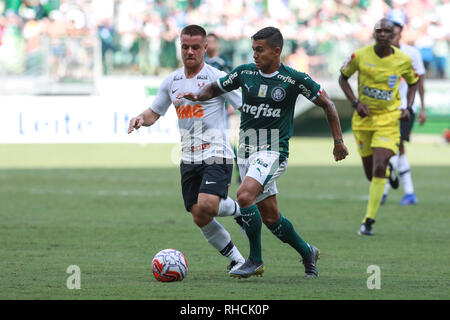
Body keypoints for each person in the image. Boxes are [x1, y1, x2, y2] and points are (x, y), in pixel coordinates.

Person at [178, 26, 348, 278]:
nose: (255, 55)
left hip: (273, 151)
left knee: (244, 196)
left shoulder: (293, 79)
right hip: (247, 151)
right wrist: (199, 95)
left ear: (276, 51)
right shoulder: (245, 73)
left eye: (260, 50)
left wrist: (338, 141)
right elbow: (215, 88)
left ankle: (254, 260)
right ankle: (307, 252)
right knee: (271, 218)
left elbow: (328, 104)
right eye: (253, 50)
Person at [128, 25, 245, 272]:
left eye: (195, 47)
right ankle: (237, 259)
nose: (190, 52)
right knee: (199, 215)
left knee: (209, 205)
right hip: (189, 156)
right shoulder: (172, 81)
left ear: (205, 48)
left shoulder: (218, 77)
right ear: (180, 47)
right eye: (185, 47)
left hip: (217, 151)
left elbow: (243, 105)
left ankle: (238, 210)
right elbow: (154, 112)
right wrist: (140, 118)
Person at [338, 19, 419, 236]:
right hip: (363, 121)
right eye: (379, 30)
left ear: (394, 36)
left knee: (379, 166)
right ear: (373, 34)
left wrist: (408, 107)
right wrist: (355, 102)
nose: (383, 34)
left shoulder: (403, 60)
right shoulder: (359, 56)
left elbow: (414, 82)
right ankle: (390, 172)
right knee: (371, 174)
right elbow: (343, 78)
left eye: (387, 31)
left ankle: (368, 221)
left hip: (389, 120)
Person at [382, 13, 427, 206]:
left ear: (402, 29)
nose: (393, 29)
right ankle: (407, 193)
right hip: (384, 109)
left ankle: (388, 189)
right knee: (393, 148)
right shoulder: (380, 52)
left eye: (397, 25)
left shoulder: (412, 53)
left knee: (394, 146)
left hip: (404, 109)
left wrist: (422, 107)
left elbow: (420, 82)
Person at [205, 32, 241, 183]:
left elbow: (231, 83)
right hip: (206, 109)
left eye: (212, 42)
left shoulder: (223, 61)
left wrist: (231, 104)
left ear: (217, 43)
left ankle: (240, 168)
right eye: (207, 42)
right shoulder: (203, 61)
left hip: (222, 107)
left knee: (224, 139)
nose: (210, 45)